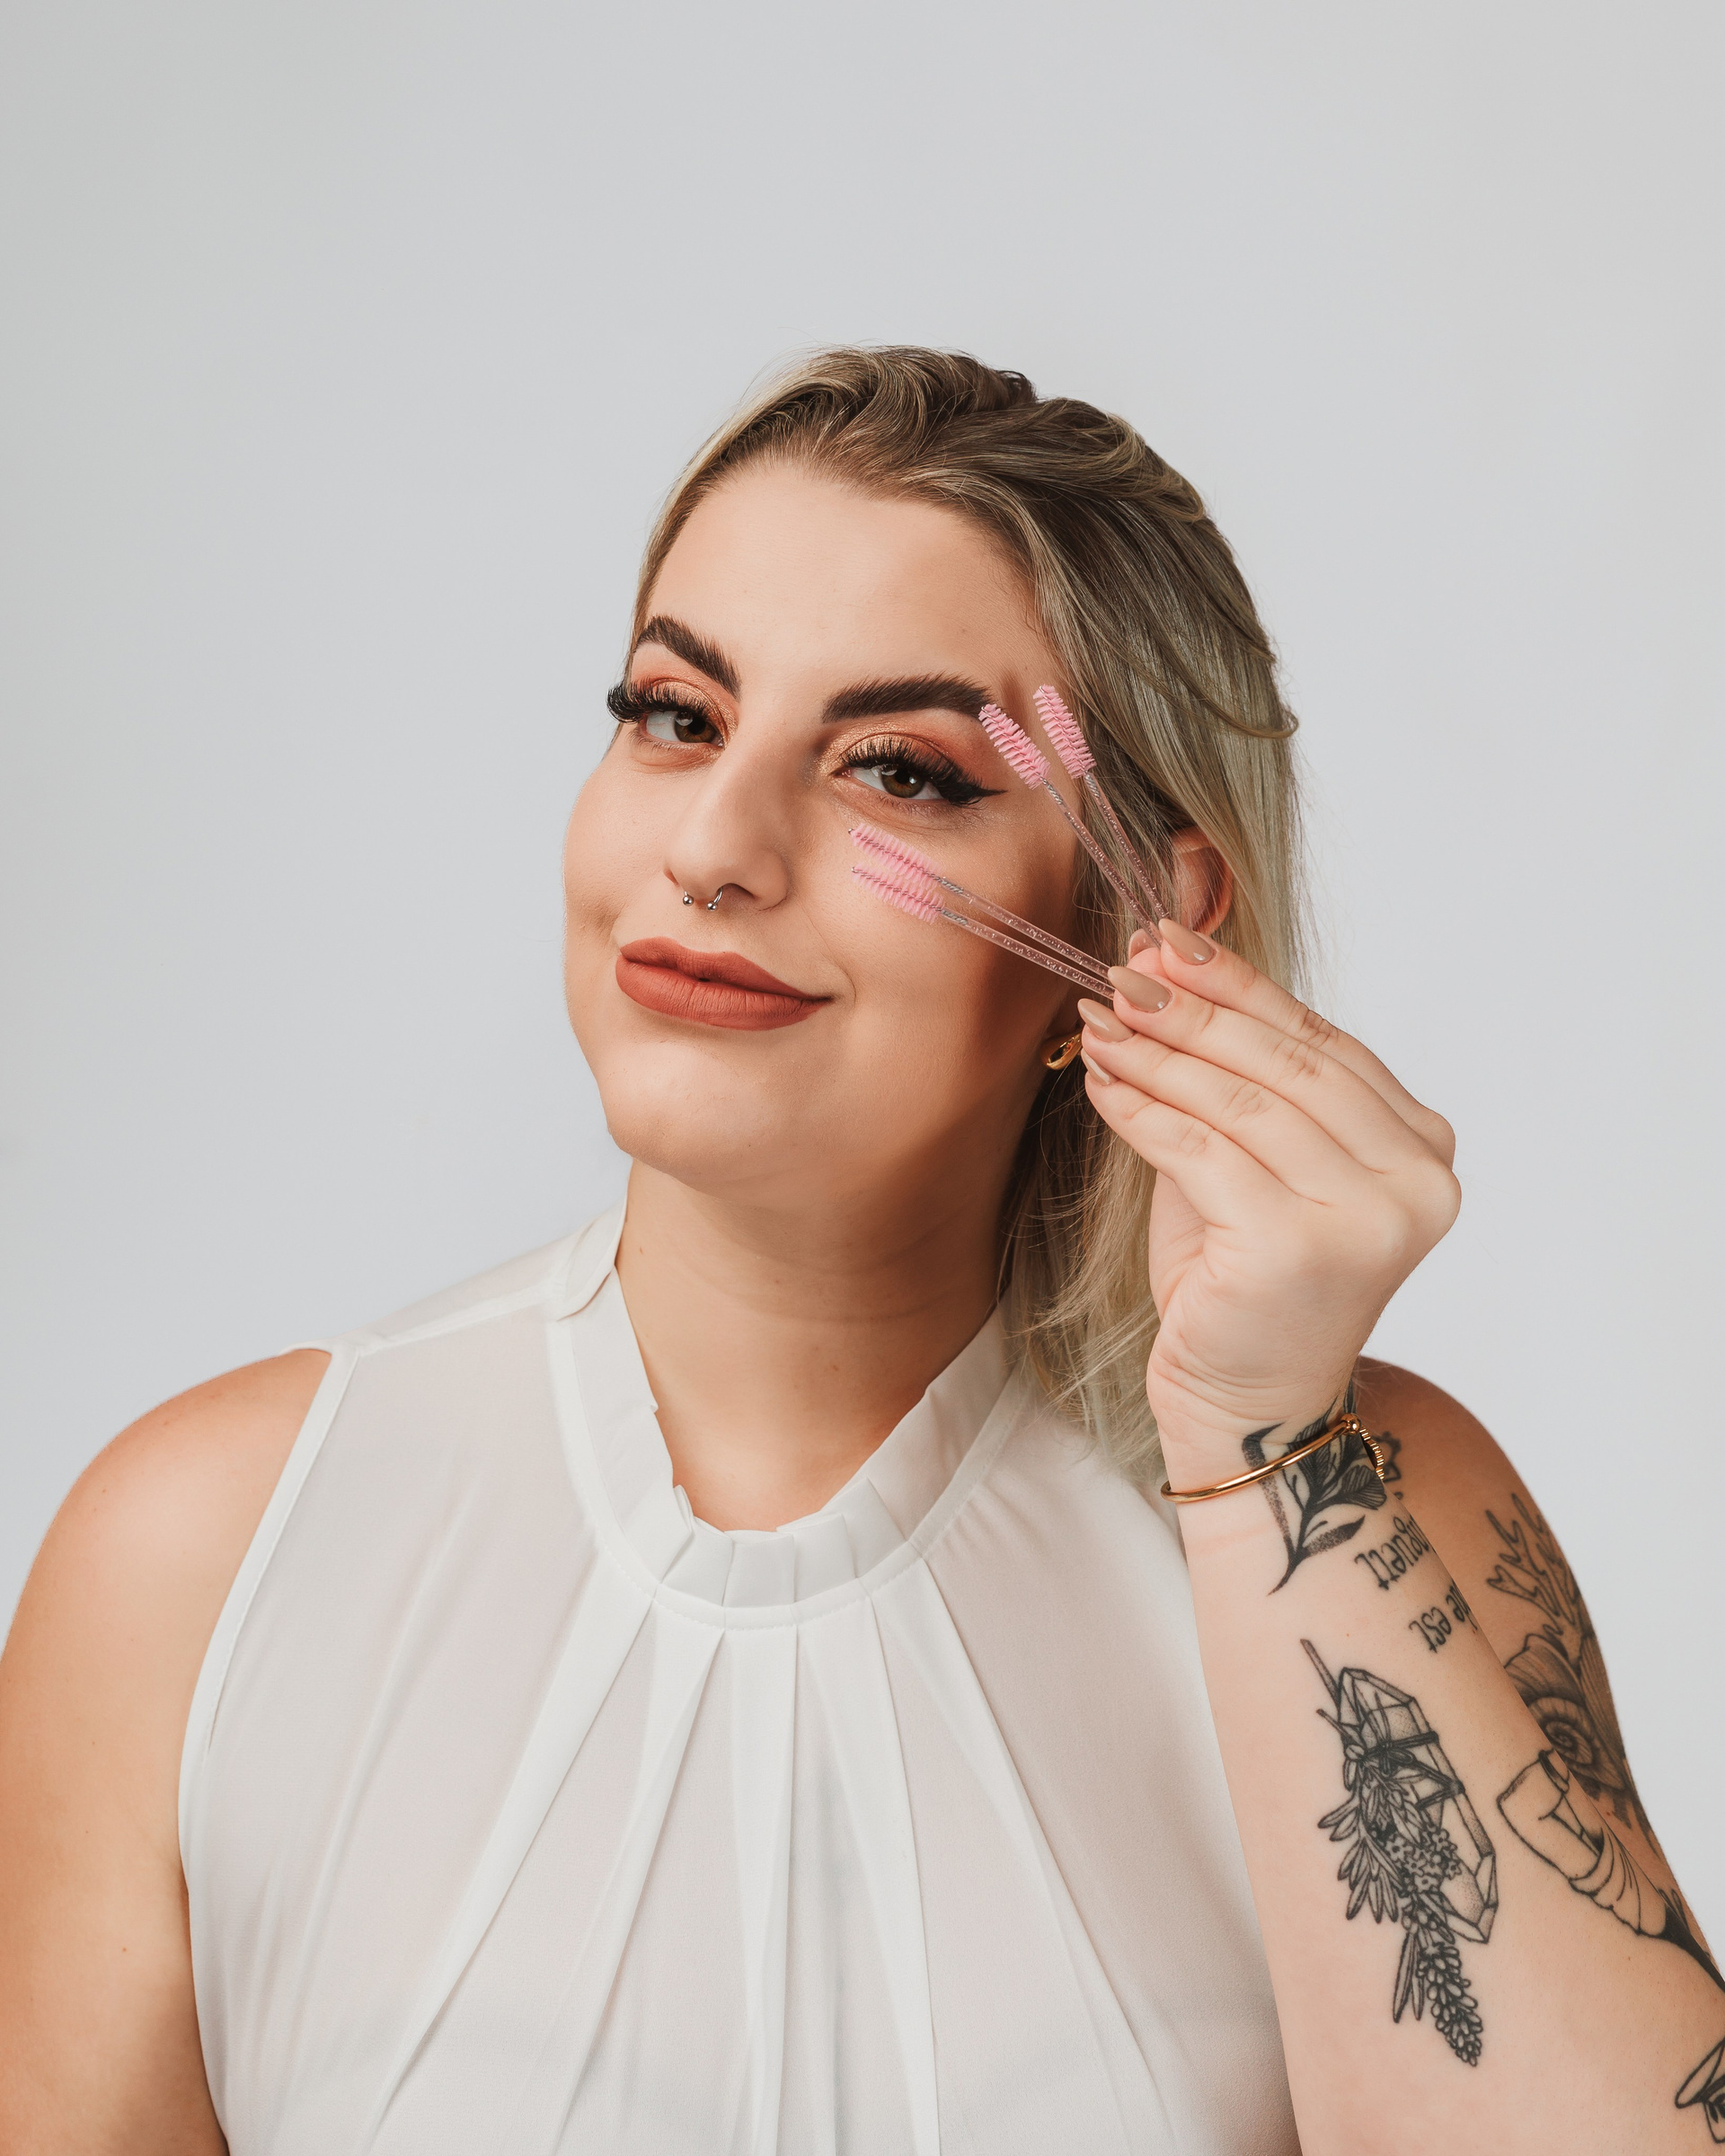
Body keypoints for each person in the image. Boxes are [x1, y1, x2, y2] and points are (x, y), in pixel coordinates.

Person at [1, 348, 1715, 2155]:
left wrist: (1264, 1443)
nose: (714, 848)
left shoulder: (1363, 1497)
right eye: (675, 714)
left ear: (1141, 910)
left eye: (899, 770)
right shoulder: (202, 1556)